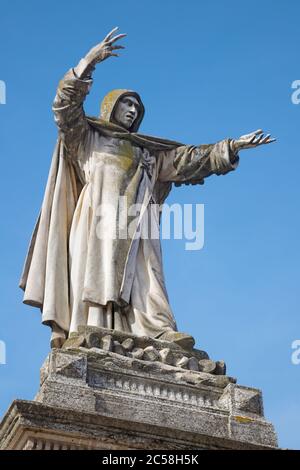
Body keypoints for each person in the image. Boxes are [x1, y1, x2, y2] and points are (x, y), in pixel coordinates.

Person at [19, 28, 275, 348]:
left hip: (139, 224)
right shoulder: (87, 138)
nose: (132, 111)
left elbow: (187, 160)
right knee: (96, 272)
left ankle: (152, 330)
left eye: (137, 108)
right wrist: (87, 63)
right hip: (96, 219)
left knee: (147, 277)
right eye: (126, 104)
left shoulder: (147, 153)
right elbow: (64, 107)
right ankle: (91, 330)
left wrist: (231, 146)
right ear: (110, 107)